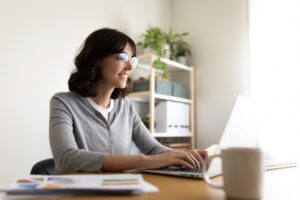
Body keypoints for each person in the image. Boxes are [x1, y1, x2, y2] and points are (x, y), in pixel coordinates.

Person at [49, 28, 208, 174]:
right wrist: (144, 161)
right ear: (96, 59)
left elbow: (153, 148)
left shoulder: (125, 106)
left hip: (118, 191)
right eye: (122, 57)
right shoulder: (63, 103)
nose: (130, 67)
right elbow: (66, 159)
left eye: (132, 60)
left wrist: (187, 156)